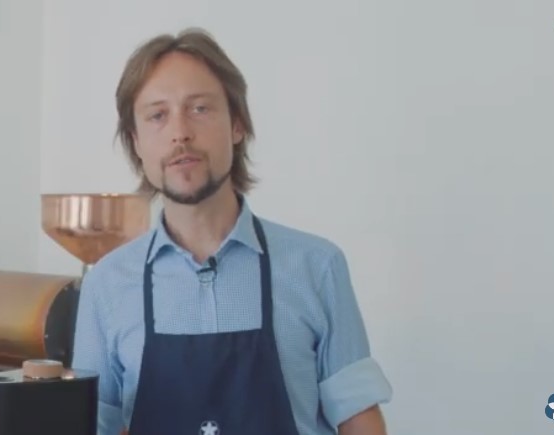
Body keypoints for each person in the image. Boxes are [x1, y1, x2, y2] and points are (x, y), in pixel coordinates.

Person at [72, 27, 393, 435]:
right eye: (157, 115)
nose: (180, 132)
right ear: (136, 141)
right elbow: (90, 427)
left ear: (237, 124)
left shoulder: (317, 266)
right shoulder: (106, 285)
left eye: (199, 108)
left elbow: (359, 420)